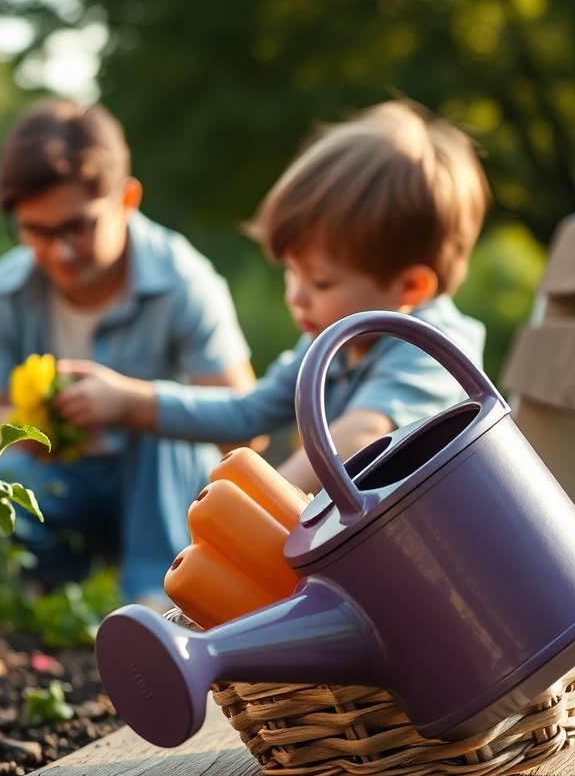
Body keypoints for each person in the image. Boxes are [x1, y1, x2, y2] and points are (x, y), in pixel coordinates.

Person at [52, 101, 489, 495]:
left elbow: (361, 435)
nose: (295, 296)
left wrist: (262, 505)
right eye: (291, 272)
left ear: (409, 288)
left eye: (319, 282)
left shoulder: (432, 348)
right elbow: (249, 412)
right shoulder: (335, 344)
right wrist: (131, 400)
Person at [0, 100, 256, 601]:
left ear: (126, 199)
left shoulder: (183, 280)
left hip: (164, 496)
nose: (59, 251)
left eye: (77, 227)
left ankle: (157, 603)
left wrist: (137, 404)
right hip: (62, 481)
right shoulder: (4, 289)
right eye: (36, 231)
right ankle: (38, 596)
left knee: (164, 419)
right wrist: (30, 426)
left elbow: (246, 434)